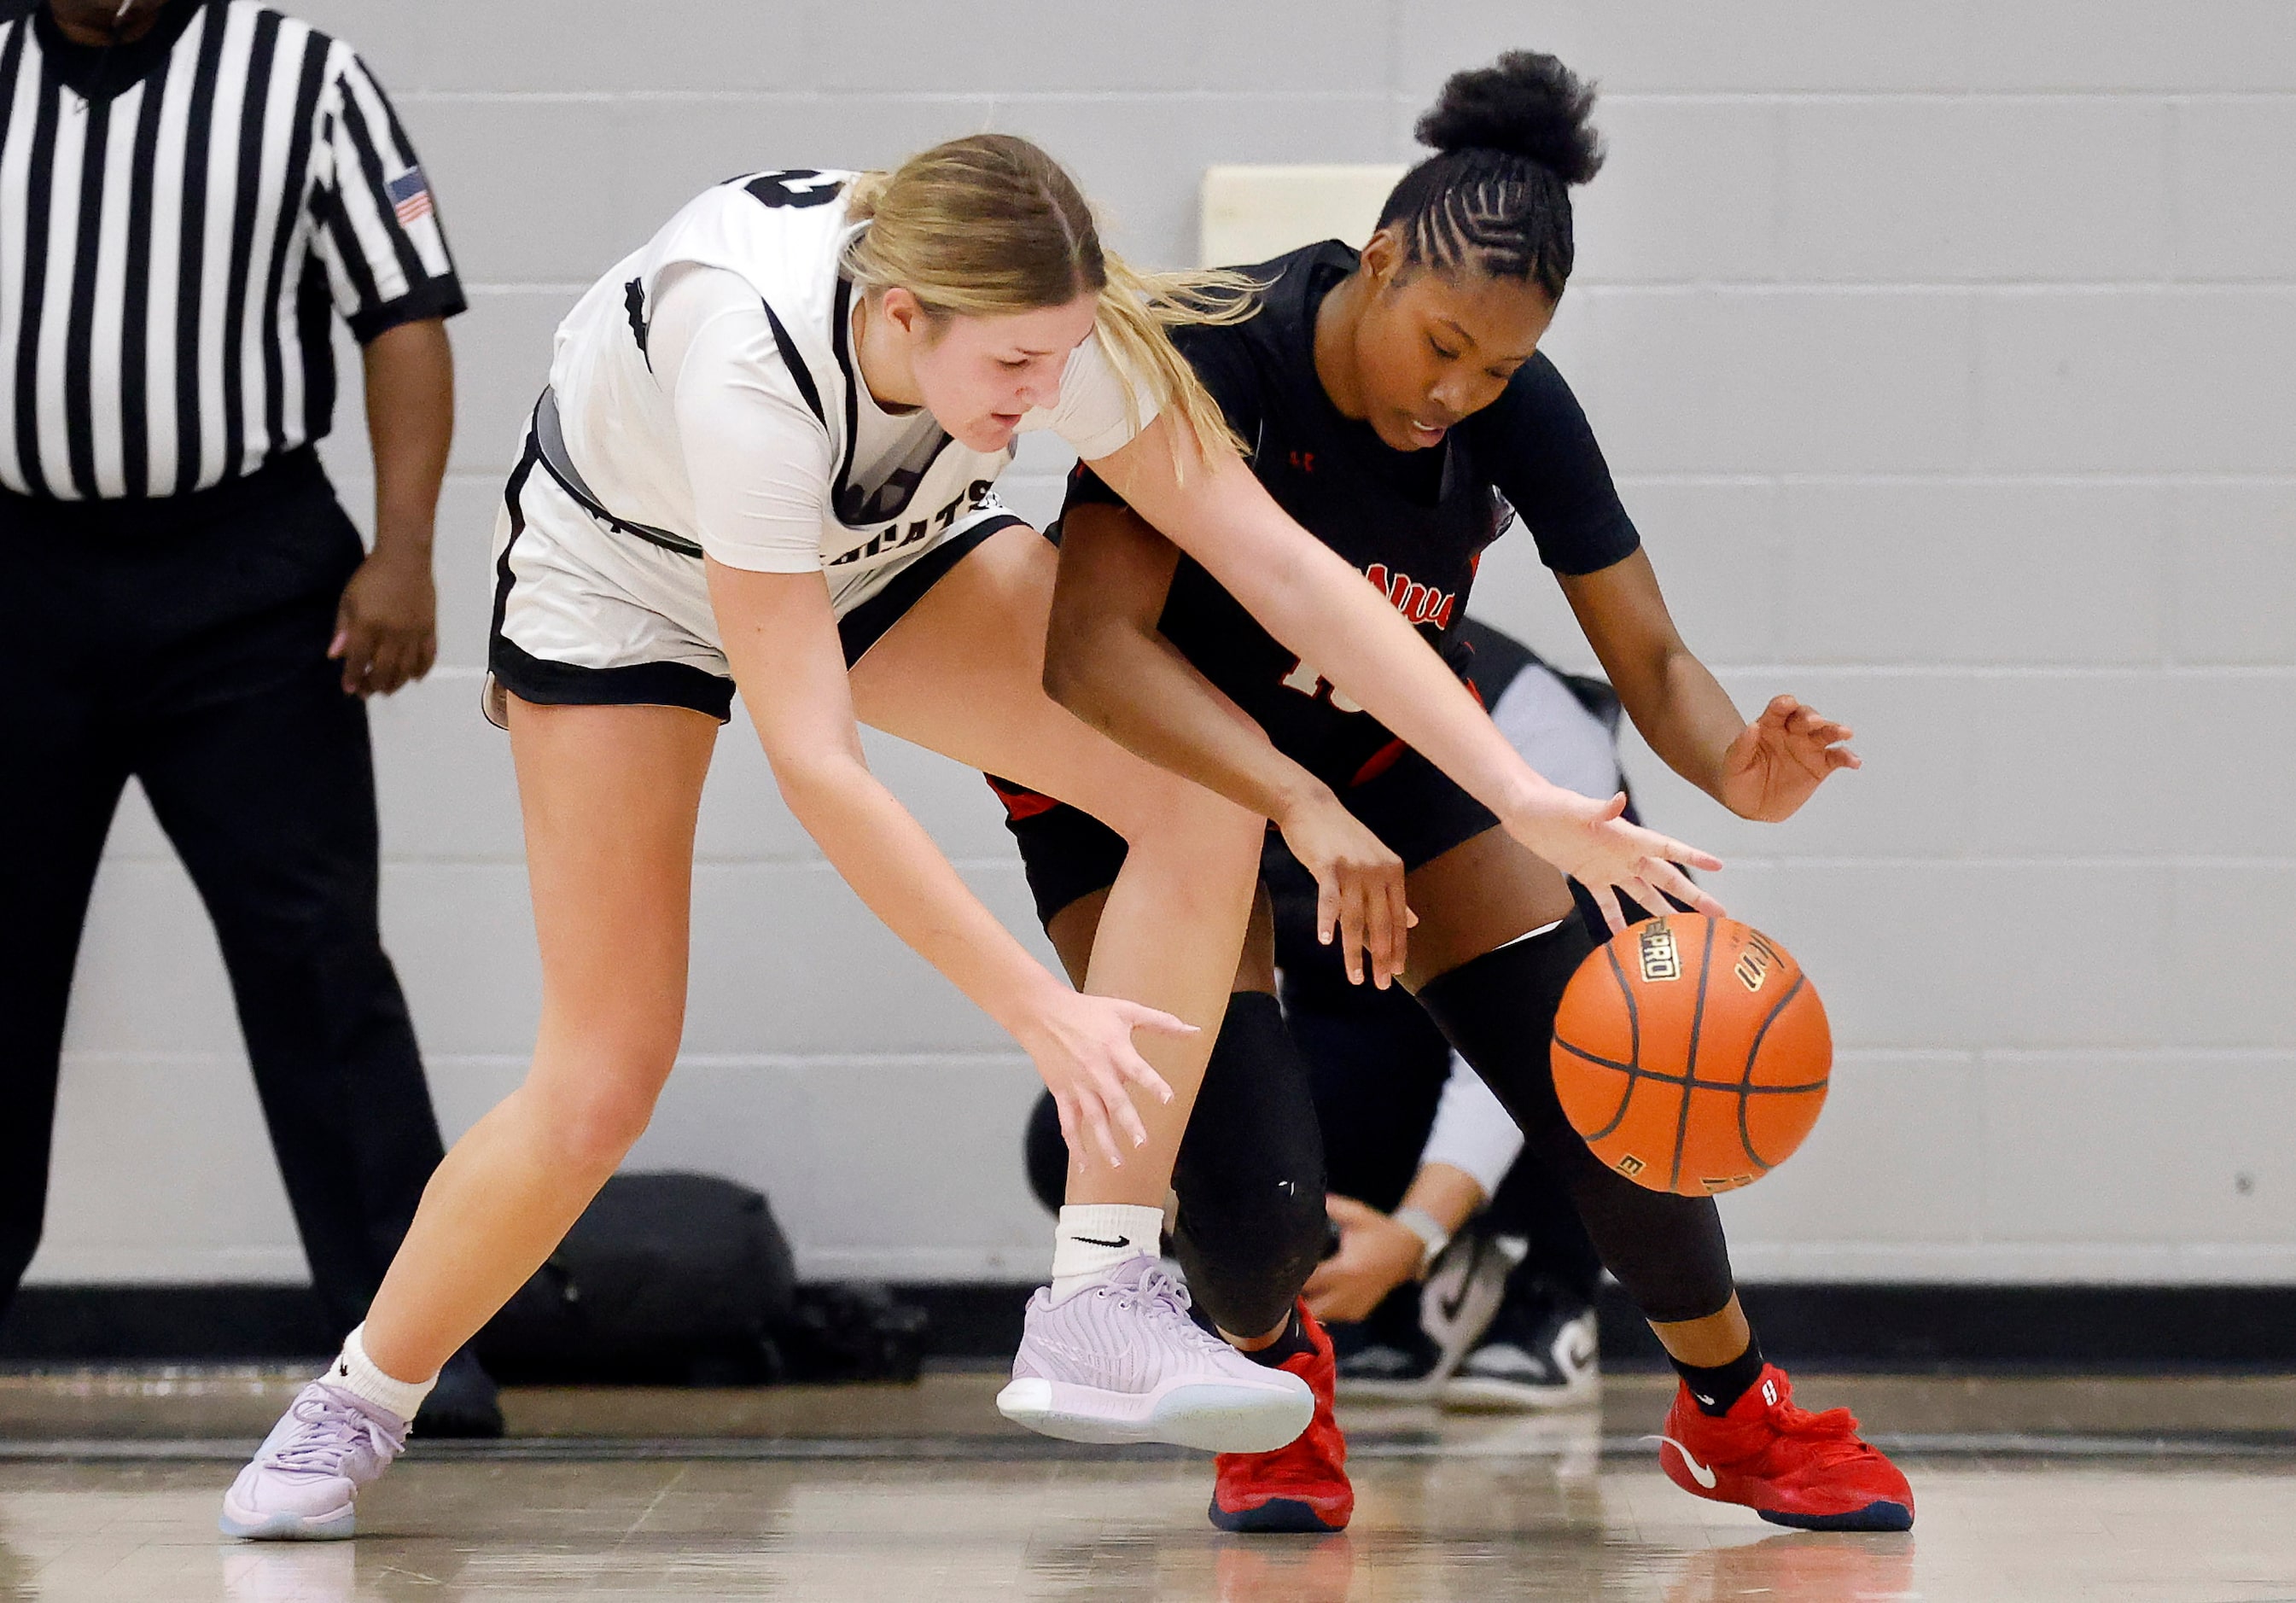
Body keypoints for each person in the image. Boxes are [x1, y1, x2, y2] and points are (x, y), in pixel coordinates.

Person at [218, 133, 1718, 1540]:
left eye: (1060, 363)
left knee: (1202, 779)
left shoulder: (1040, 325)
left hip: (880, 545)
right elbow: (819, 760)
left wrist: (1511, 787)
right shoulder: (746, 356)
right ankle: (360, 1396)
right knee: (603, 1076)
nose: (1041, 399)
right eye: (1014, 368)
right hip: (630, 583)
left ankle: (1098, 1291)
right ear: (901, 313)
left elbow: (1288, 569)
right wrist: (1034, 1004)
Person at [991, 53, 1914, 1536]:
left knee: (1610, 1072)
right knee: (1256, 1216)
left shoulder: (1513, 406)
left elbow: (1654, 655)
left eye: (1494, 367)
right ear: (1373, 261)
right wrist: (1289, 800)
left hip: (1367, 753)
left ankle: (1734, 1415)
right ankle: (1274, 1370)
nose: (1455, 393)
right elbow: (1088, 654)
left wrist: (1744, 764)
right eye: (1439, 347)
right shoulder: (1214, 345)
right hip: (1138, 764)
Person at [0, 0, 496, 1433]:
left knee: (316, 959)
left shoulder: (304, 77)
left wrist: (402, 548)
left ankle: (414, 1352)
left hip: (245, 568)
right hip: (17, 573)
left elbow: (405, 316)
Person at [1017, 618, 1619, 1411]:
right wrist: (1244, 1217)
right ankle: (1371, 1291)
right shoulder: (1196, 708)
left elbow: (1520, 1027)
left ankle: (1551, 1291)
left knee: (1601, 1038)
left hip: (1549, 1014)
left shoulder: (1515, 712)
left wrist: (1418, 1229)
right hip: (1366, 1011)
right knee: (1094, 1123)